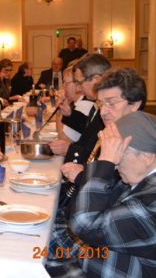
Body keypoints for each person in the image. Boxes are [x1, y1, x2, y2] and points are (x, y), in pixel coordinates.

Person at [46, 66, 147, 271]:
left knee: (36, 248)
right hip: (91, 222)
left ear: (135, 104)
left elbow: (116, 203)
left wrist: (86, 174)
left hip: (109, 246)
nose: (103, 111)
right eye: (101, 103)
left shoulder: (140, 145)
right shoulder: (111, 129)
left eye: (111, 103)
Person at [51, 111, 156, 277]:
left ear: (147, 157)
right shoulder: (142, 178)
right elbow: (107, 200)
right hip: (119, 258)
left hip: (129, 269)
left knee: (45, 248)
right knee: (49, 228)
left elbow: (84, 224)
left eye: (118, 155)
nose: (114, 166)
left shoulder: (149, 205)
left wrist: (106, 161)